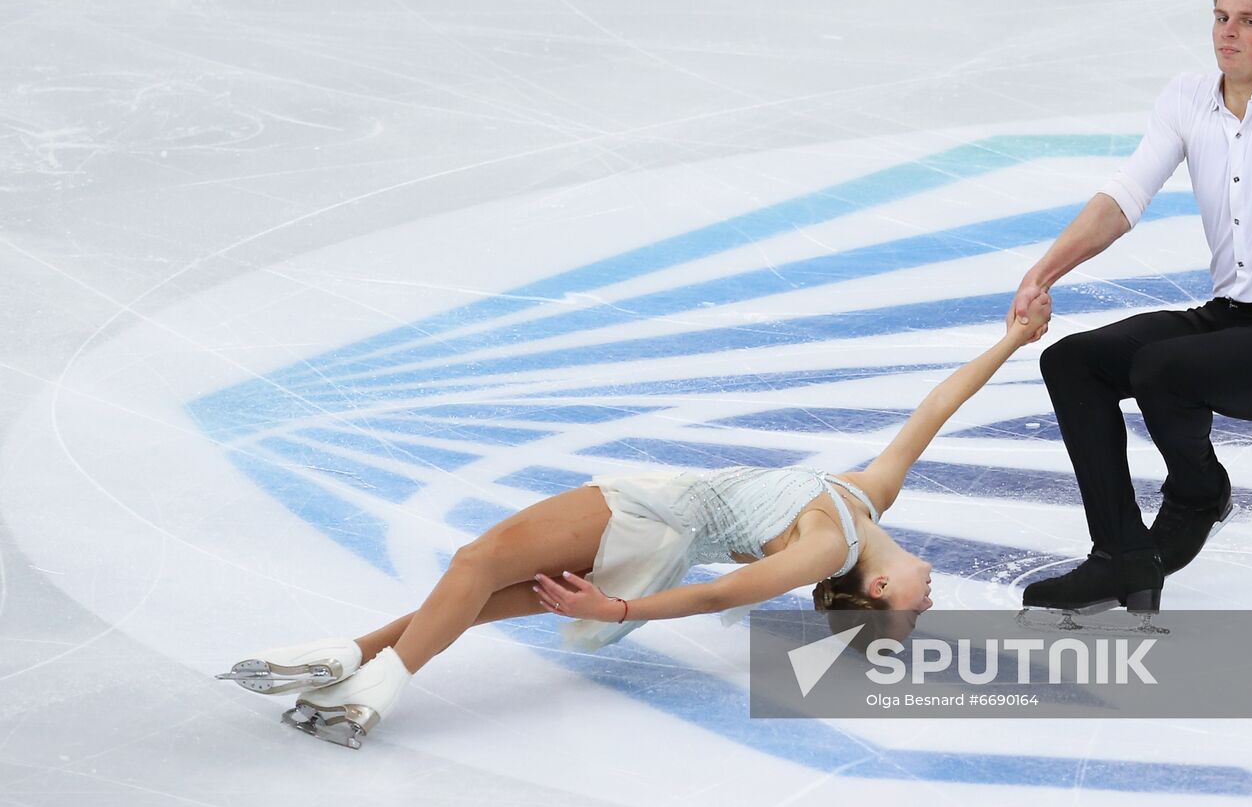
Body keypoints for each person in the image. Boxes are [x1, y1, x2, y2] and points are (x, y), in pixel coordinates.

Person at [219, 294, 1053, 748]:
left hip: (651, 516)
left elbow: (716, 597)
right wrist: (1011, 343)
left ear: (876, 587)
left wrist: (611, 610)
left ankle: (367, 692)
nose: (929, 596)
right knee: (476, 591)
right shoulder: (869, 500)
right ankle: (348, 661)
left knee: (474, 562)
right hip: (655, 542)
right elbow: (936, 406)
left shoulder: (824, 546)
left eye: (914, 608)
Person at [1012, 0, 1252, 617]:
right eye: (1221, 18)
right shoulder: (1187, 98)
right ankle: (1122, 556)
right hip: (1226, 319)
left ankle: (1199, 492)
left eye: (1250, 21)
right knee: (1071, 362)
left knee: (1164, 367)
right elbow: (1125, 196)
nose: (1228, 34)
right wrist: (1043, 272)